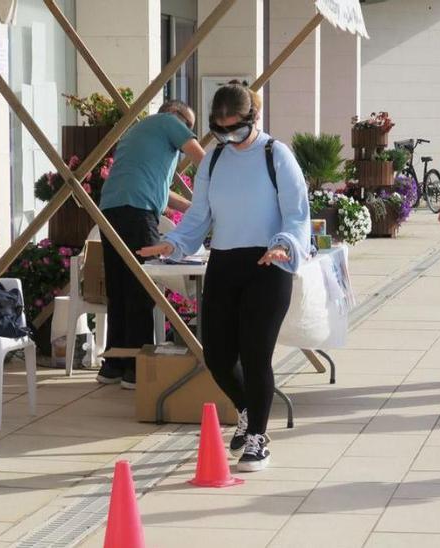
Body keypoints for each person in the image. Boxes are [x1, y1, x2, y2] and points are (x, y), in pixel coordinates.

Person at [138, 84, 310, 472]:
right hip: (225, 262)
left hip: (269, 263)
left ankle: (257, 439)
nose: (228, 138)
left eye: (235, 130)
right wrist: (174, 243)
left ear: (254, 120)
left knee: (255, 354)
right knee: (216, 354)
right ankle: (248, 407)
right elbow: (199, 217)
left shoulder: (275, 154)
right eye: (219, 130)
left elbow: (297, 213)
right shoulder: (214, 158)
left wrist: (284, 245)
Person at [95, 101, 206, 389]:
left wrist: (196, 208)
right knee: (143, 287)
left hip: (110, 209)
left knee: (119, 287)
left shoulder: (138, 132)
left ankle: (113, 366)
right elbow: (203, 161)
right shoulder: (169, 123)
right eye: (189, 126)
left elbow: (162, 191)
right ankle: (136, 369)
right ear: (176, 116)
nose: (188, 133)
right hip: (137, 211)